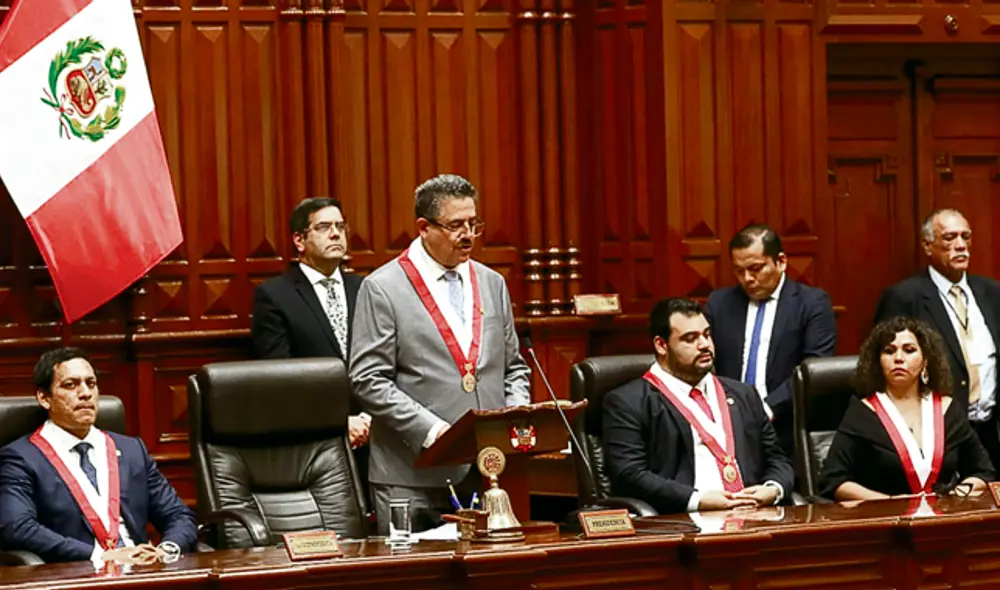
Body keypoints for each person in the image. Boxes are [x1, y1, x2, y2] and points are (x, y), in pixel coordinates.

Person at [349, 174, 531, 533]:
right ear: (424, 228)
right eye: (455, 225)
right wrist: (433, 431)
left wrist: (514, 418)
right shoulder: (383, 288)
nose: (468, 235)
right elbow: (368, 379)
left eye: (473, 224)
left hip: (488, 471)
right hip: (413, 475)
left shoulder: (492, 283)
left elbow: (514, 368)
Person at [0, 347, 197, 563]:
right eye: (71, 385)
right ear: (45, 398)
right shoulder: (22, 458)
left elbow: (178, 515)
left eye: (91, 383)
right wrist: (101, 556)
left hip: (142, 570)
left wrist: (166, 551)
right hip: (80, 572)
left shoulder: (132, 450)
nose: (85, 393)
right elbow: (17, 527)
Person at [602, 298, 794, 515]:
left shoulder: (743, 394)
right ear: (661, 345)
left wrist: (773, 489)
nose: (704, 345)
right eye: (690, 339)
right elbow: (630, 474)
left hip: (755, 515)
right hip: (683, 520)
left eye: (706, 334)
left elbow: (777, 458)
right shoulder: (628, 402)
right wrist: (697, 500)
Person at [251, 197, 370, 488]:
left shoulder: (366, 288)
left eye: (340, 226)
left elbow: (387, 359)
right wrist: (339, 422)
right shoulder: (275, 296)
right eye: (324, 227)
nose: (335, 234)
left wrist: (371, 417)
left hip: (375, 436)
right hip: (314, 444)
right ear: (299, 240)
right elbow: (280, 376)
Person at [873, 209, 1000, 468]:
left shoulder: (992, 292)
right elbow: (883, 367)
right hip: (938, 435)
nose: (960, 245)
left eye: (966, 237)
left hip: (991, 431)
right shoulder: (905, 298)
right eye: (950, 238)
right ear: (928, 246)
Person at [819, 317, 994, 501]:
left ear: (925, 361)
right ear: (878, 361)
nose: (899, 358)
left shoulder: (948, 410)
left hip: (943, 515)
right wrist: (888, 502)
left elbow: (983, 471)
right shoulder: (863, 413)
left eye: (909, 350)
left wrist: (960, 492)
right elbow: (834, 480)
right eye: (889, 351)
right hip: (885, 515)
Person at [706, 224, 837, 457]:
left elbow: (811, 368)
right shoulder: (719, 303)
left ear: (781, 262)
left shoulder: (811, 304)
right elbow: (704, 360)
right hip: (727, 425)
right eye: (739, 271)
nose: (747, 279)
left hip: (787, 424)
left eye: (755, 269)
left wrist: (766, 409)